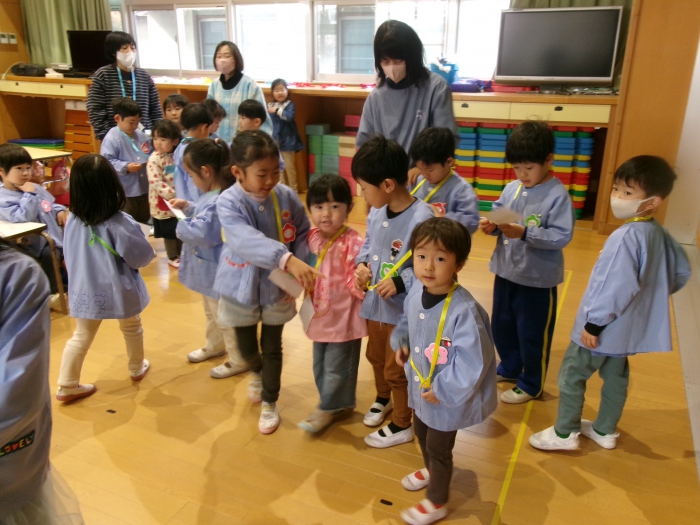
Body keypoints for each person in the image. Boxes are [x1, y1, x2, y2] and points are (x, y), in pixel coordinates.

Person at [529, 156, 691, 451]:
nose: (617, 197)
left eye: (628, 192)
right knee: (616, 379)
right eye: (616, 189)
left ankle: (564, 434)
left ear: (653, 201)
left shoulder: (625, 236)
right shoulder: (658, 232)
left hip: (600, 329)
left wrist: (594, 324)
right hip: (625, 331)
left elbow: (615, 286)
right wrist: (648, 299)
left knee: (572, 376)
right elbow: (680, 272)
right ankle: (605, 430)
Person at [392, 218, 497, 525]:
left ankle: (437, 500)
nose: (428, 266)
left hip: (446, 396)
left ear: (458, 265)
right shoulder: (416, 292)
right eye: (421, 256)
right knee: (421, 431)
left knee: (439, 447)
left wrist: (442, 389)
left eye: (440, 259)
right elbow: (407, 322)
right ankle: (430, 469)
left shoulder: (465, 311)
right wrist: (402, 343)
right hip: (421, 389)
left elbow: (473, 361)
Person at [215, 130, 318, 434]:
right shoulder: (228, 201)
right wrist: (286, 259)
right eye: (262, 174)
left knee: (273, 347)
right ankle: (257, 372)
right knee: (246, 348)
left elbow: (302, 231)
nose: (271, 179)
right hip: (240, 286)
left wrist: (300, 266)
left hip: (278, 288)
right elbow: (243, 238)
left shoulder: (285, 196)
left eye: (276, 171)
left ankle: (270, 401)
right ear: (238, 172)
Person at [479, 121, 575, 404]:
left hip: (537, 279)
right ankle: (510, 367)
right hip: (506, 272)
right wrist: (492, 225)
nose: (522, 174)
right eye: (516, 168)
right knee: (502, 325)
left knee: (532, 334)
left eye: (529, 168)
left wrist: (525, 233)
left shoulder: (557, 196)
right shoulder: (512, 188)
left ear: (548, 160)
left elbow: (561, 236)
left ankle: (532, 383)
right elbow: (501, 215)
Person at [353, 135, 434, 448]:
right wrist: (362, 266)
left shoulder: (423, 218)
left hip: (402, 313)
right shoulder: (377, 211)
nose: (362, 194)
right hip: (375, 305)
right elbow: (369, 244)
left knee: (396, 367)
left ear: (387, 184)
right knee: (375, 356)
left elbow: (431, 269)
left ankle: (402, 423)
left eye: (364, 188)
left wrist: (401, 282)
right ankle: (383, 398)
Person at [55, 154, 154, 403]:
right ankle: (136, 367)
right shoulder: (119, 222)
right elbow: (140, 257)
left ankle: (66, 384)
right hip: (118, 288)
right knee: (131, 326)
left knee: (81, 336)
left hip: (84, 288)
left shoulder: (73, 218)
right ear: (112, 184)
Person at [0, 242, 84, 524]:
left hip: (10, 475)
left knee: (82, 337)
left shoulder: (14, 273)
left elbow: (15, 392)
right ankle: (70, 383)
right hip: (105, 292)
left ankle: (69, 383)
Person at [169, 139, 249, 379]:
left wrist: (181, 225)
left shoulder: (220, 200)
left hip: (218, 270)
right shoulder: (213, 195)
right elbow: (203, 213)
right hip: (209, 269)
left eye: (192, 175)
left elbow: (204, 232)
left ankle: (239, 358)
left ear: (206, 172)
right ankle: (215, 345)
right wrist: (188, 207)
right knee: (211, 311)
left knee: (225, 316)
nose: (191, 181)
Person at [298, 175, 367, 433]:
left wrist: (360, 281)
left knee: (337, 366)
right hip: (319, 315)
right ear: (310, 209)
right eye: (319, 207)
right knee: (320, 363)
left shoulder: (353, 242)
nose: (326, 213)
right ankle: (339, 402)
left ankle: (327, 408)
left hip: (344, 318)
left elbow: (355, 278)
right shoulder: (310, 238)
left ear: (349, 208)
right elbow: (301, 268)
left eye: (335, 206)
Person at [356, 21, 457, 170]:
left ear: (412, 57)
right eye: (386, 61)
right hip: (386, 177)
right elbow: (364, 146)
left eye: (398, 60)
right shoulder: (376, 97)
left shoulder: (435, 88)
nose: (392, 67)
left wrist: (421, 169)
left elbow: (446, 140)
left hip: (425, 175)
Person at [0, 143, 66, 303]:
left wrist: (59, 210)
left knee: (67, 249)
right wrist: (29, 195)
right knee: (49, 256)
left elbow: (49, 204)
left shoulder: (35, 187)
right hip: (30, 244)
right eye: (19, 169)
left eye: (28, 168)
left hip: (54, 237)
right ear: (1, 171)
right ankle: (51, 293)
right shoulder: (4, 197)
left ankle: (64, 283)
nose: (25, 173)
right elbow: (23, 217)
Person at [87, 31, 162, 141]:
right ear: (114, 52)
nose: (129, 51)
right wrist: (106, 135)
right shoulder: (103, 75)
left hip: (144, 136)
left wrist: (156, 133)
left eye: (132, 47)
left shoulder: (144, 76)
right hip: (115, 137)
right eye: (124, 48)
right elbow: (95, 108)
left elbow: (155, 109)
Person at [408, 127, 479, 235]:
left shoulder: (462, 189)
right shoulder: (416, 180)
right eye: (420, 168)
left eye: (429, 170)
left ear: (449, 162)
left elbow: (472, 221)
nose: (424, 174)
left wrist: (443, 218)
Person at [207, 41, 272, 142]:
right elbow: (208, 116)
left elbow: (262, 120)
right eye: (219, 56)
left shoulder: (250, 85)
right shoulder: (214, 85)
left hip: (243, 144)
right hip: (217, 143)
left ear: (236, 59)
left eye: (227, 56)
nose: (222, 60)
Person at [101, 97, 152, 224]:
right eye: (131, 122)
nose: (135, 126)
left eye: (137, 122)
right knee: (127, 220)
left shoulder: (141, 135)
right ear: (117, 118)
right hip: (126, 190)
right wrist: (126, 167)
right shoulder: (112, 138)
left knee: (144, 218)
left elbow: (149, 151)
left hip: (144, 187)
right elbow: (107, 162)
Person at [147, 118, 182, 268]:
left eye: (163, 139)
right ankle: (172, 256)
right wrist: (173, 194)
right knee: (169, 231)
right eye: (155, 138)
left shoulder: (178, 155)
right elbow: (156, 182)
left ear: (175, 141)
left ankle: (180, 253)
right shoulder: (154, 159)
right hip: (164, 201)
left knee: (179, 228)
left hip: (178, 200)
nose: (158, 143)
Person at [173, 103, 214, 203]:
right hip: (193, 202)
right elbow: (195, 185)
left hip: (182, 197)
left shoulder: (180, 145)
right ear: (204, 128)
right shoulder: (195, 150)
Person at [268, 78, 303, 192]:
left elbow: (289, 117)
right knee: (278, 167)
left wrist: (276, 110)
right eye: (276, 90)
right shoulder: (270, 105)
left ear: (287, 91)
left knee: (289, 167)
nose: (280, 92)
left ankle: (293, 190)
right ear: (272, 93)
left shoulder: (290, 105)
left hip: (288, 140)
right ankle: (280, 190)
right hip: (275, 140)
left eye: (282, 89)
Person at [236, 100, 285, 171]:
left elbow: (280, 164)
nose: (239, 122)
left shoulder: (266, 142)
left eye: (243, 118)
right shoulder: (238, 139)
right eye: (239, 118)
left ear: (257, 122)